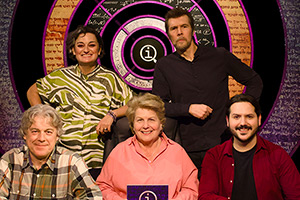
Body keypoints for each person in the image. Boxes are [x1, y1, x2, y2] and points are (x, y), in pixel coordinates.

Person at [152, 7, 263, 174]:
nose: (180, 32)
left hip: (225, 142)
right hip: (188, 148)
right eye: (174, 29)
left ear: (193, 30)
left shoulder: (219, 55)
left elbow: (255, 81)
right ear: (169, 35)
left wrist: (240, 111)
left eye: (184, 26)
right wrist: (187, 108)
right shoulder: (164, 65)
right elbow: (158, 105)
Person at [27, 25, 134, 179]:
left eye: (91, 45)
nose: (86, 50)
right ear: (73, 50)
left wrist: (112, 114)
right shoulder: (60, 77)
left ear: (99, 50)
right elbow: (32, 91)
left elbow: (134, 104)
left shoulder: (110, 79)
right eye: (80, 45)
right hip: (61, 156)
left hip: (95, 161)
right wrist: (44, 120)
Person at [96, 93, 199, 199]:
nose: (145, 126)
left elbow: (191, 188)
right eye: (140, 120)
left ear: (161, 124)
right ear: (133, 125)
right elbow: (102, 187)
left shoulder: (177, 152)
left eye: (151, 120)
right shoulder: (119, 151)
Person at [199, 94, 300, 200]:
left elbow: (296, 196)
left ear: (259, 119)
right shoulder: (214, 156)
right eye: (236, 117)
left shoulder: (278, 155)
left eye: (249, 116)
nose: (243, 123)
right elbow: (205, 196)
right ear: (228, 121)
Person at [0, 104, 103, 199]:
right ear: (25, 134)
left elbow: (93, 196)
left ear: (57, 136)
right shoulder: (10, 159)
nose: (41, 138)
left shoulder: (72, 162)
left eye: (48, 132)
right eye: (35, 131)